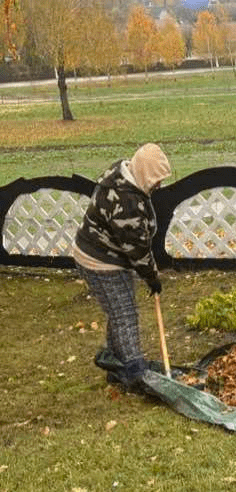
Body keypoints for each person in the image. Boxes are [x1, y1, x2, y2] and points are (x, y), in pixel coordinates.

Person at [73, 143, 171, 392]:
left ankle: (116, 368)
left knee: (118, 312)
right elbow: (137, 250)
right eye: (155, 179)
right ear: (143, 172)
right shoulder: (126, 201)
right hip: (100, 261)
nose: (158, 185)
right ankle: (134, 373)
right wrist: (152, 277)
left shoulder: (124, 174)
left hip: (103, 254)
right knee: (125, 314)